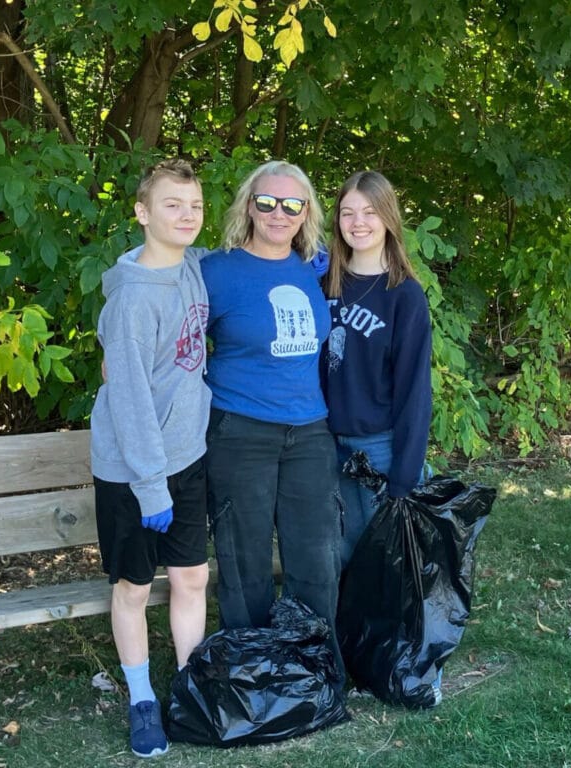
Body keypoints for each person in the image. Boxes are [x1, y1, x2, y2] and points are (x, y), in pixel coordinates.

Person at [201, 160, 344, 682]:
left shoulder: (318, 266)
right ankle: (252, 671)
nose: (278, 213)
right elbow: (161, 304)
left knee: (315, 556)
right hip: (240, 431)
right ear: (248, 206)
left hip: (310, 432)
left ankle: (311, 670)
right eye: (266, 202)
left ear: (306, 213)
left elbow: (381, 263)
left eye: (292, 204)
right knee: (245, 558)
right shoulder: (216, 271)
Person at [90, 158, 211, 758]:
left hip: (185, 455)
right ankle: (142, 700)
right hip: (134, 471)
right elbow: (131, 401)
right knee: (134, 586)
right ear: (141, 213)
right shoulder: (135, 300)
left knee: (191, 577)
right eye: (172, 205)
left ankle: (189, 690)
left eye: (194, 206)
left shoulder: (189, 265)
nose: (186, 216)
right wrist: (151, 485)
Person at [322, 170, 433, 569]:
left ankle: (388, 636)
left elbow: (415, 394)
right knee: (339, 560)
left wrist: (403, 477)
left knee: (386, 567)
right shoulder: (324, 283)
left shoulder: (404, 296)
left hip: (381, 450)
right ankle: (346, 634)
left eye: (369, 212)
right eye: (347, 212)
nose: (358, 223)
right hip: (326, 446)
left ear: (388, 217)